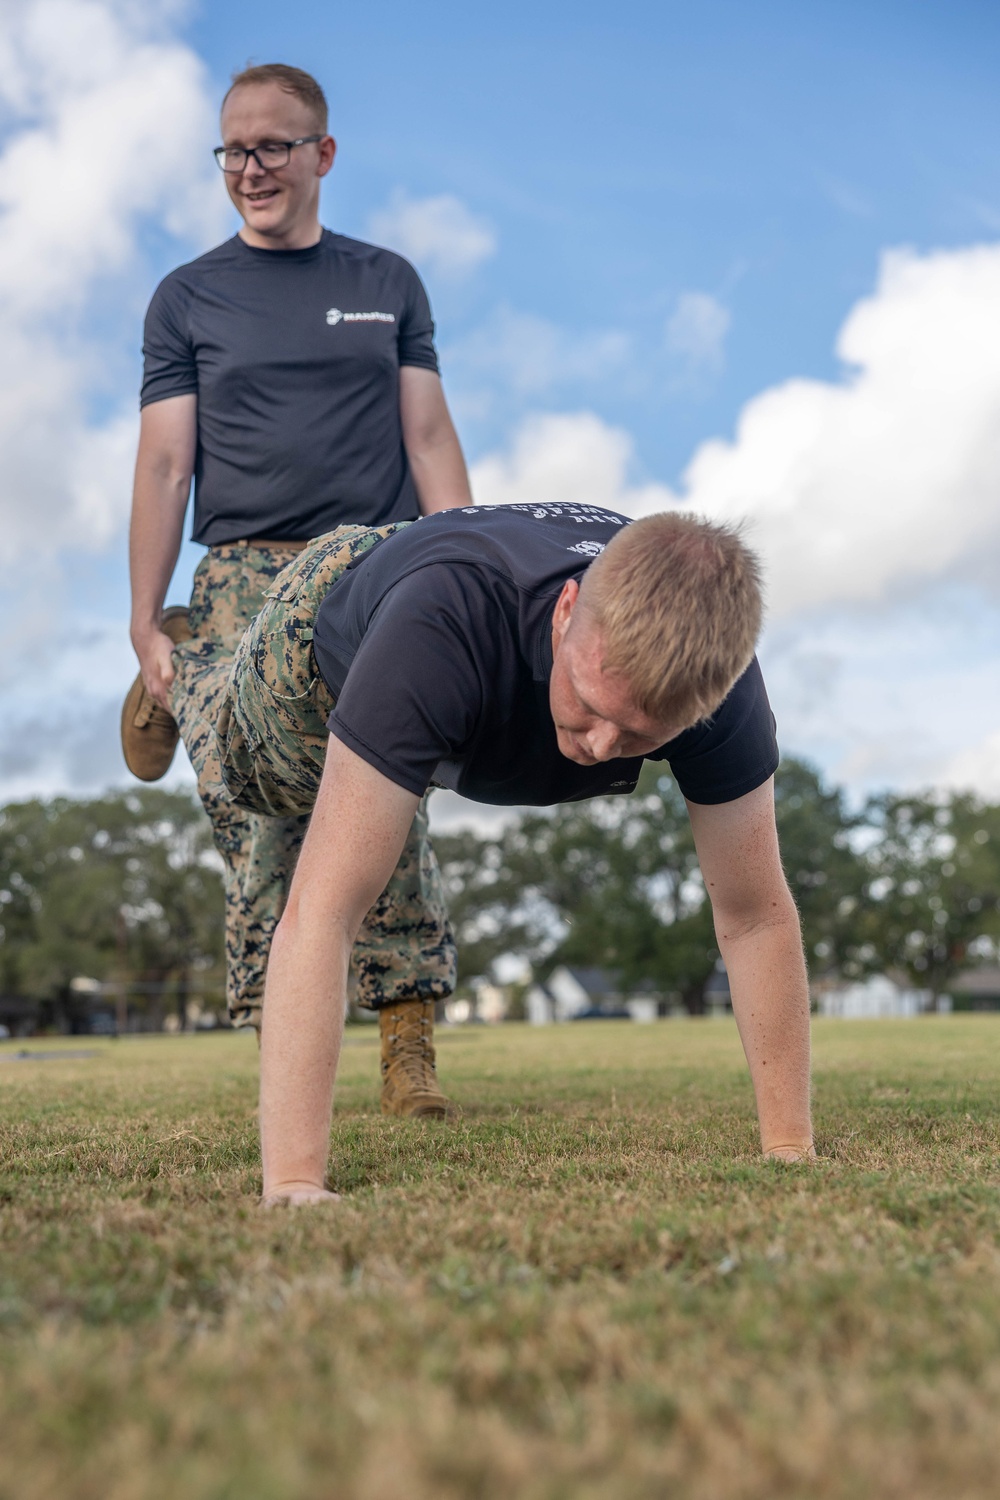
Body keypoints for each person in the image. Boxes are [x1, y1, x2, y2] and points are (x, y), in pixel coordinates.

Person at [203, 500, 816, 1206]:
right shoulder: (438, 626)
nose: (599, 748)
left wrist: (788, 1148)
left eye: (640, 737)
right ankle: (182, 676)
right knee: (246, 785)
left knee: (377, 809)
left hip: (449, 618)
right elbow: (322, 911)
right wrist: (293, 1182)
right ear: (565, 612)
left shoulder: (718, 681)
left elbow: (755, 918)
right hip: (316, 636)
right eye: (590, 702)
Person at [121, 63, 472, 1117]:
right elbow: (164, 463)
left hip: (369, 570)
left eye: (274, 145)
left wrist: (465, 564)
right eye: (233, 148)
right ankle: (170, 676)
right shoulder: (186, 297)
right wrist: (142, 617)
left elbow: (427, 434)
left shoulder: (388, 283)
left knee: (386, 797)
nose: (252, 166)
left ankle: (407, 1047)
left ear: (322, 154)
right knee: (264, 812)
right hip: (238, 576)